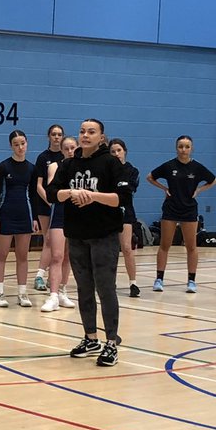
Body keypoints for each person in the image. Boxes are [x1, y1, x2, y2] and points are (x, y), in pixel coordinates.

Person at [47, 119, 126, 367]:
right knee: (84, 287)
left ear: (101, 137)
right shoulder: (68, 164)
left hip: (104, 235)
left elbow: (119, 199)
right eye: (82, 131)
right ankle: (90, 338)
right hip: (77, 234)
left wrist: (92, 197)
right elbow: (52, 194)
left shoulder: (111, 163)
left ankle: (111, 342)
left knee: (105, 288)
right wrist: (71, 193)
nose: (85, 135)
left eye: (91, 132)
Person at [147, 135, 216, 294]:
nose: (183, 149)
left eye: (187, 146)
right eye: (180, 146)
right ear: (176, 148)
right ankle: (159, 279)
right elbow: (150, 177)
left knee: (191, 246)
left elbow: (213, 180)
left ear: (191, 148)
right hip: (171, 209)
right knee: (165, 245)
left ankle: (191, 280)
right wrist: (163, 188)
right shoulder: (169, 165)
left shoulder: (197, 168)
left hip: (189, 209)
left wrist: (199, 190)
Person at [0, 130, 37, 307]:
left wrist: (34, 219)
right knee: (1, 254)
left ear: (27, 143)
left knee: (22, 255)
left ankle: (22, 294)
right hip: (5, 215)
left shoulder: (32, 168)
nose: (20, 147)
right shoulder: (3, 167)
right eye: (16, 144)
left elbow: (33, 195)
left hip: (24, 215)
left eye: (23, 143)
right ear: (11, 146)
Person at [37, 135, 78, 312]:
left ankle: (62, 291)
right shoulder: (56, 166)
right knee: (57, 255)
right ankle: (52, 295)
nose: (70, 151)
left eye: (73, 148)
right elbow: (52, 189)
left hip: (77, 214)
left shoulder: (83, 168)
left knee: (69, 256)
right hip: (60, 213)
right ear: (61, 150)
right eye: (66, 148)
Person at [31, 124, 64, 294]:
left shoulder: (68, 155)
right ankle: (39, 275)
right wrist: (51, 200)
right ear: (49, 136)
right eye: (54, 134)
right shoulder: (43, 158)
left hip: (63, 204)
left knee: (59, 244)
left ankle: (55, 278)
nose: (56, 137)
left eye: (59, 134)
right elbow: (38, 185)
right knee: (49, 239)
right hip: (45, 203)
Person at [109, 139, 141, 298]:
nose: (116, 154)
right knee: (111, 250)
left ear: (125, 151)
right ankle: (109, 282)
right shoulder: (107, 170)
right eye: (113, 151)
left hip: (126, 212)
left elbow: (129, 188)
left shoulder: (132, 170)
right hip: (109, 212)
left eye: (119, 150)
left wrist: (121, 186)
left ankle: (133, 283)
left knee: (127, 248)